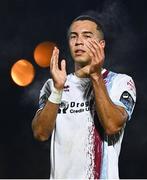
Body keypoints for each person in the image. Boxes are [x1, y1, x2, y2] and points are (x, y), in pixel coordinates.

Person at [32, 15, 136, 179]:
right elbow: (40, 133)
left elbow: (112, 125)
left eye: (87, 36)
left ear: (101, 45)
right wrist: (58, 90)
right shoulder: (52, 85)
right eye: (74, 36)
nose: (79, 41)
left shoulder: (119, 82)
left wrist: (95, 76)